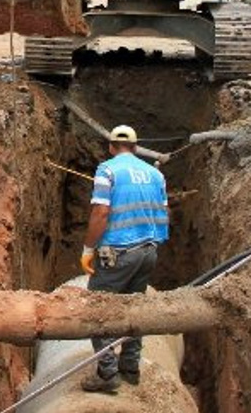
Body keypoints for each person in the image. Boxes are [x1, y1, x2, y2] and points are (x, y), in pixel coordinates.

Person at [79, 125, 169, 394]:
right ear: (135, 146)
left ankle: (107, 373)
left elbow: (101, 213)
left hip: (119, 254)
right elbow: (165, 213)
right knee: (134, 308)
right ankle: (130, 367)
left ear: (110, 146)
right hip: (148, 251)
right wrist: (154, 244)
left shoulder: (107, 170)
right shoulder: (156, 174)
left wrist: (88, 250)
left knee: (97, 310)